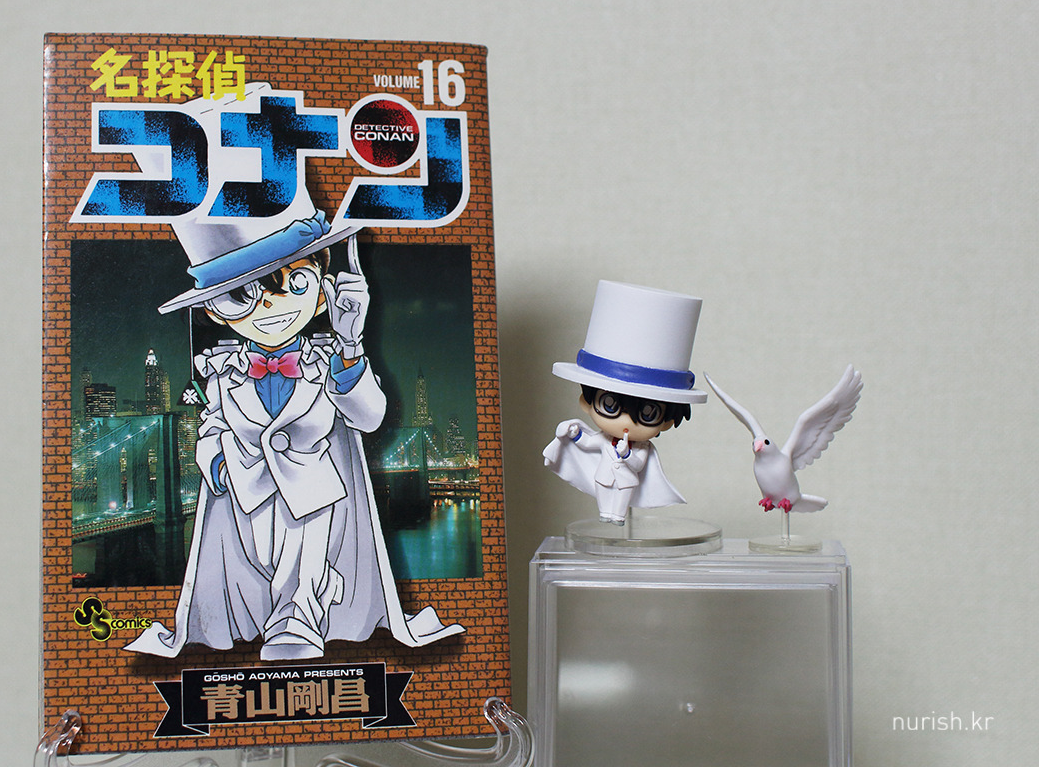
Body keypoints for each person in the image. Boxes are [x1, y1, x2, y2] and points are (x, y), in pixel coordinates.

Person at [125, 210, 463, 661]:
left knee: (303, 546)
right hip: (244, 491)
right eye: (241, 296)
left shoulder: (328, 363)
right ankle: (299, 597)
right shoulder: (223, 374)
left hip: (313, 490)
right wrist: (218, 465)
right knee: (254, 563)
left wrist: (350, 345)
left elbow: (369, 417)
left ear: (322, 295)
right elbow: (211, 426)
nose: (270, 306)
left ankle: (299, 617)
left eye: (295, 284)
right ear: (213, 309)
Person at [542, 281, 707, 524]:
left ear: (667, 422)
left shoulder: (642, 448)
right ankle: (605, 513)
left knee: (620, 501)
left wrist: (627, 454)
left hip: (627, 481)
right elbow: (588, 443)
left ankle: (617, 515)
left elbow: (638, 464)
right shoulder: (603, 439)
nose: (627, 420)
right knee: (603, 494)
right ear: (586, 402)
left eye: (648, 413)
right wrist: (576, 435)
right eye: (611, 406)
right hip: (603, 477)